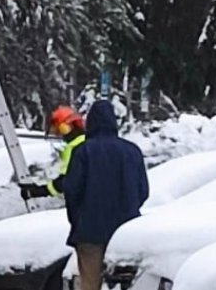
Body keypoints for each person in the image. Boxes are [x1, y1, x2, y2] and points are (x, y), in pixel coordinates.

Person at [63, 99, 148, 290]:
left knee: (90, 284)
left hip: (89, 231)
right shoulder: (132, 151)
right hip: (126, 233)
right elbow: (143, 191)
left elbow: (72, 191)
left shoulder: (83, 151)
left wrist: (77, 220)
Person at [19, 105, 86, 200]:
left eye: (60, 130)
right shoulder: (87, 142)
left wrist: (37, 191)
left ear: (66, 127)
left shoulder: (74, 148)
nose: (60, 135)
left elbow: (66, 181)